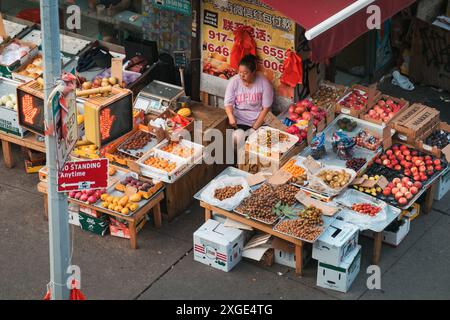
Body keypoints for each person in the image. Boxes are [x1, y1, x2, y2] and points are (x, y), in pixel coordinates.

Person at [224, 54, 274, 145]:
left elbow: (266, 109)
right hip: (240, 121)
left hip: (259, 121)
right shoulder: (234, 81)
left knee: (260, 143)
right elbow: (228, 103)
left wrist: (254, 128)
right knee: (236, 138)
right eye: (240, 72)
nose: (242, 76)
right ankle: (238, 157)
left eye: (245, 73)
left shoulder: (264, 83)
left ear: (253, 72)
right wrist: (231, 116)